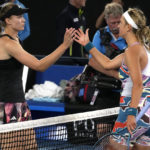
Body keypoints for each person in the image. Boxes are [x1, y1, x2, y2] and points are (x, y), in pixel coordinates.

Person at [0, 2, 75, 149]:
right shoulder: (6, 43)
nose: (24, 20)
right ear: (8, 20)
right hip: (7, 107)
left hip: (20, 104)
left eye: (23, 16)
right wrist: (64, 46)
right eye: (19, 16)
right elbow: (39, 65)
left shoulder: (16, 40)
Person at [74, 7, 150, 150]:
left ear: (128, 27)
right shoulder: (141, 48)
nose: (117, 26)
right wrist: (88, 45)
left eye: (120, 22)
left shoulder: (132, 51)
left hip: (134, 107)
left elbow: (138, 84)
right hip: (147, 109)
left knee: (113, 147)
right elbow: (107, 63)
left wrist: (132, 113)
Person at [87, 2, 126, 108]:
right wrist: (115, 74)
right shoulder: (100, 35)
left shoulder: (130, 34)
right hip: (105, 87)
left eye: (119, 22)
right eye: (113, 23)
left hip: (127, 89)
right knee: (103, 124)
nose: (117, 26)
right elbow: (92, 61)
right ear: (106, 20)